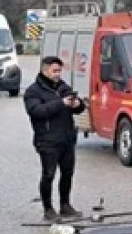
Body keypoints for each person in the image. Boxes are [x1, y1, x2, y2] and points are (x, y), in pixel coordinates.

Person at [24, 56, 87, 221]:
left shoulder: (63, 87)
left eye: (60, 70)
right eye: (55, 71)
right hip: (47, 140)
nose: (58, 74)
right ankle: (48, 208)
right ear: (45, 71)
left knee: (67, 173)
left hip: (66, 139)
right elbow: (37, 111)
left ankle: (65, 205)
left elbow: (79, 108)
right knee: (48, 175)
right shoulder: (33, 91)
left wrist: (77, 104)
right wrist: (61, 103)